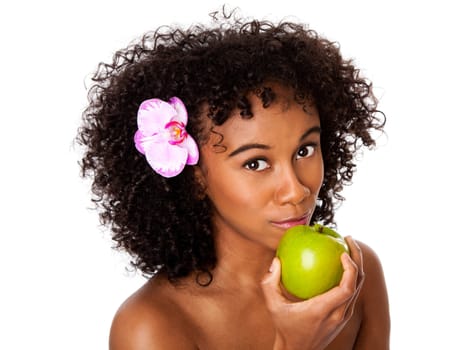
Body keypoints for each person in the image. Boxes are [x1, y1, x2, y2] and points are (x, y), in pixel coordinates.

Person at [77, 10, 390, 350]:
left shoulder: (355, 275)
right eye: (256, 163)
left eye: (304, 151)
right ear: (196, 178)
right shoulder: (152, 326)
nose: (296, 190)